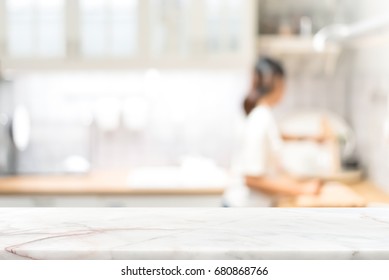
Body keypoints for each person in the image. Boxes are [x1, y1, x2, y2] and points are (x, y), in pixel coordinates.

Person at [223, 57, 328, 207]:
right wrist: (301, 189)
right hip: (242, 209)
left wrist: (309, 138)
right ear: (277, 82)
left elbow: (276, 136)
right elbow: (251, 179)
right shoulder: (260, 119)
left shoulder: (261, 114)